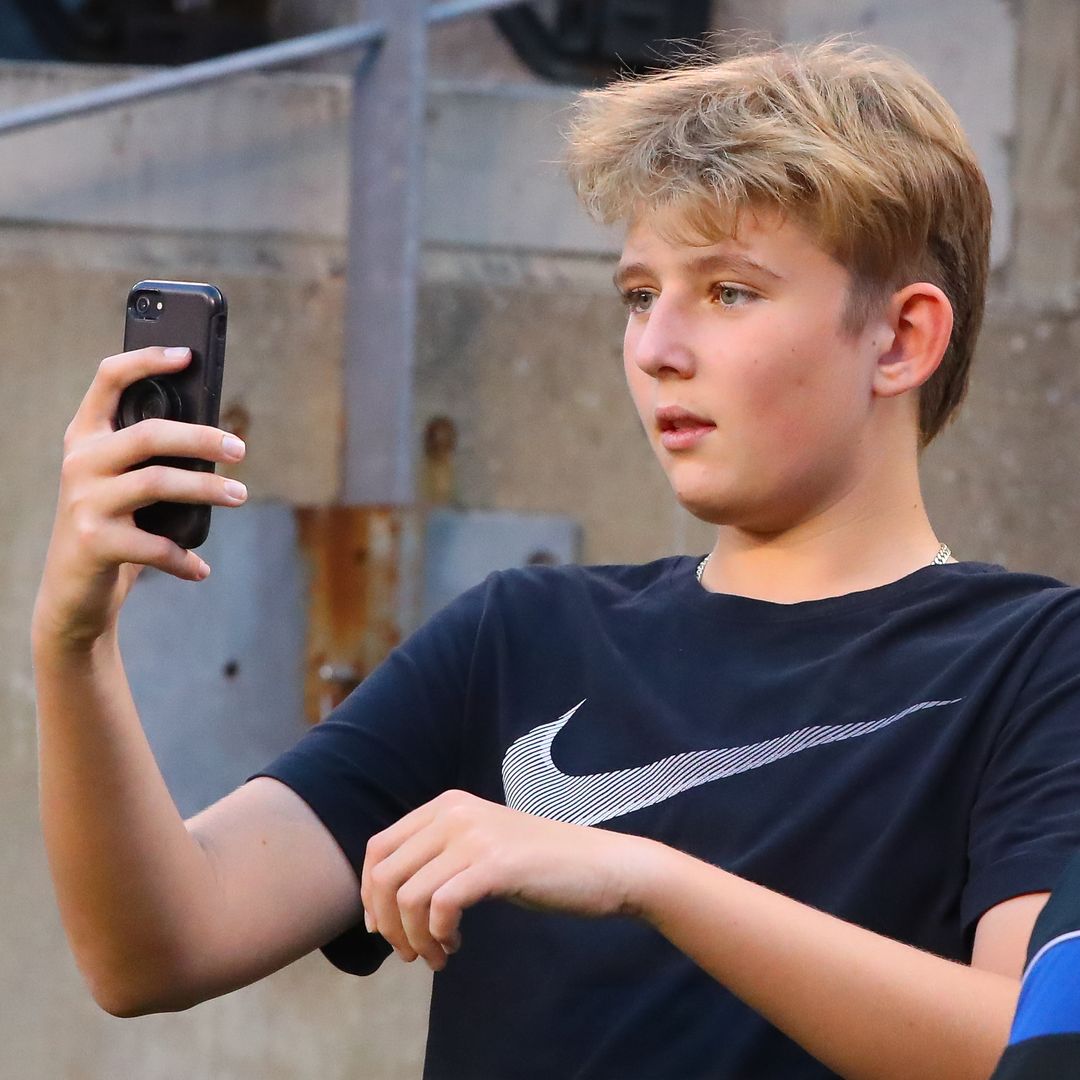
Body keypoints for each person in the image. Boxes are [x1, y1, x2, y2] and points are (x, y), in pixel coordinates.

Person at [30, 36, 1080, 1080]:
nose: (657, 346)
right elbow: (153, 950)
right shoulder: (516, 635)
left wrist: (648, 878)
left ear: (901, 339)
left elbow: (1023, 1045)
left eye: (728, 292)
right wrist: (74, 651)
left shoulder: (1036, 662)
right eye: (637, 294)